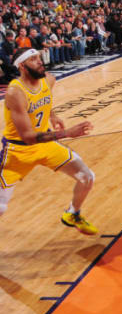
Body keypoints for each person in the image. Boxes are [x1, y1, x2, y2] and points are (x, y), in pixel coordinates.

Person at [0, 48, 96, 234]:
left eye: (39, 57)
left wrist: (52, 114)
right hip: (17, 152)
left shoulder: (49, 79)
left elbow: (45, 97)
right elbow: (28, 137)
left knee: (87, 177)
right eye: (33, 59)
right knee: (1, 207)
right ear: (22, 65)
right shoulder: (15, 92)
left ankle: (72, 213)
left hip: (46, 144)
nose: (40, 61)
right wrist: (67, 132)